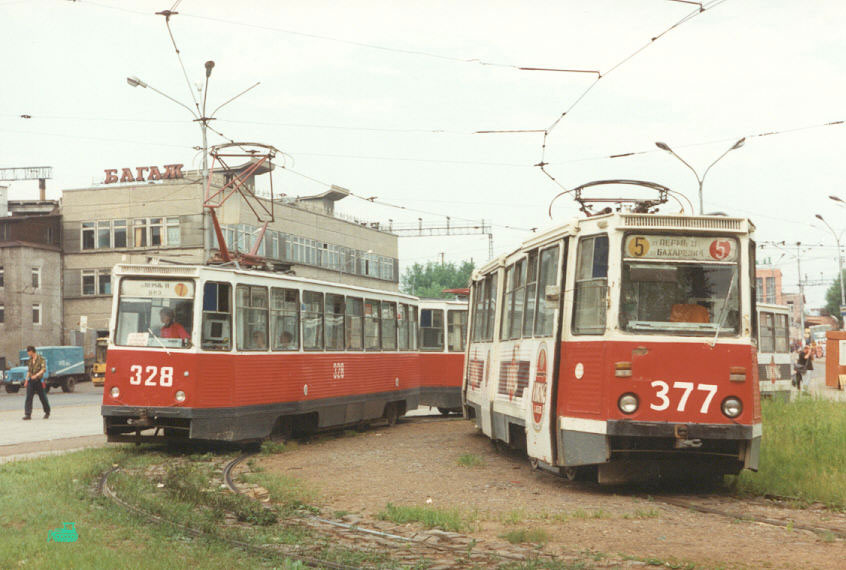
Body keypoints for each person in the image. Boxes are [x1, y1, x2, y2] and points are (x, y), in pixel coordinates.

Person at [23, 345, 50, 420]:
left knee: (42, 397)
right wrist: (26, 380)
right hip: (31, 381)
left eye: (28, 352)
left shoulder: (41, 359)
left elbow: (43, 369)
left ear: (31, 351)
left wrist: (36, 375)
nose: (28, 353)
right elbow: (29, 371)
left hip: (38, 381)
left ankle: (47, 412)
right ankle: (28, 414)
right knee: (28, 397)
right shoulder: (30, 360)